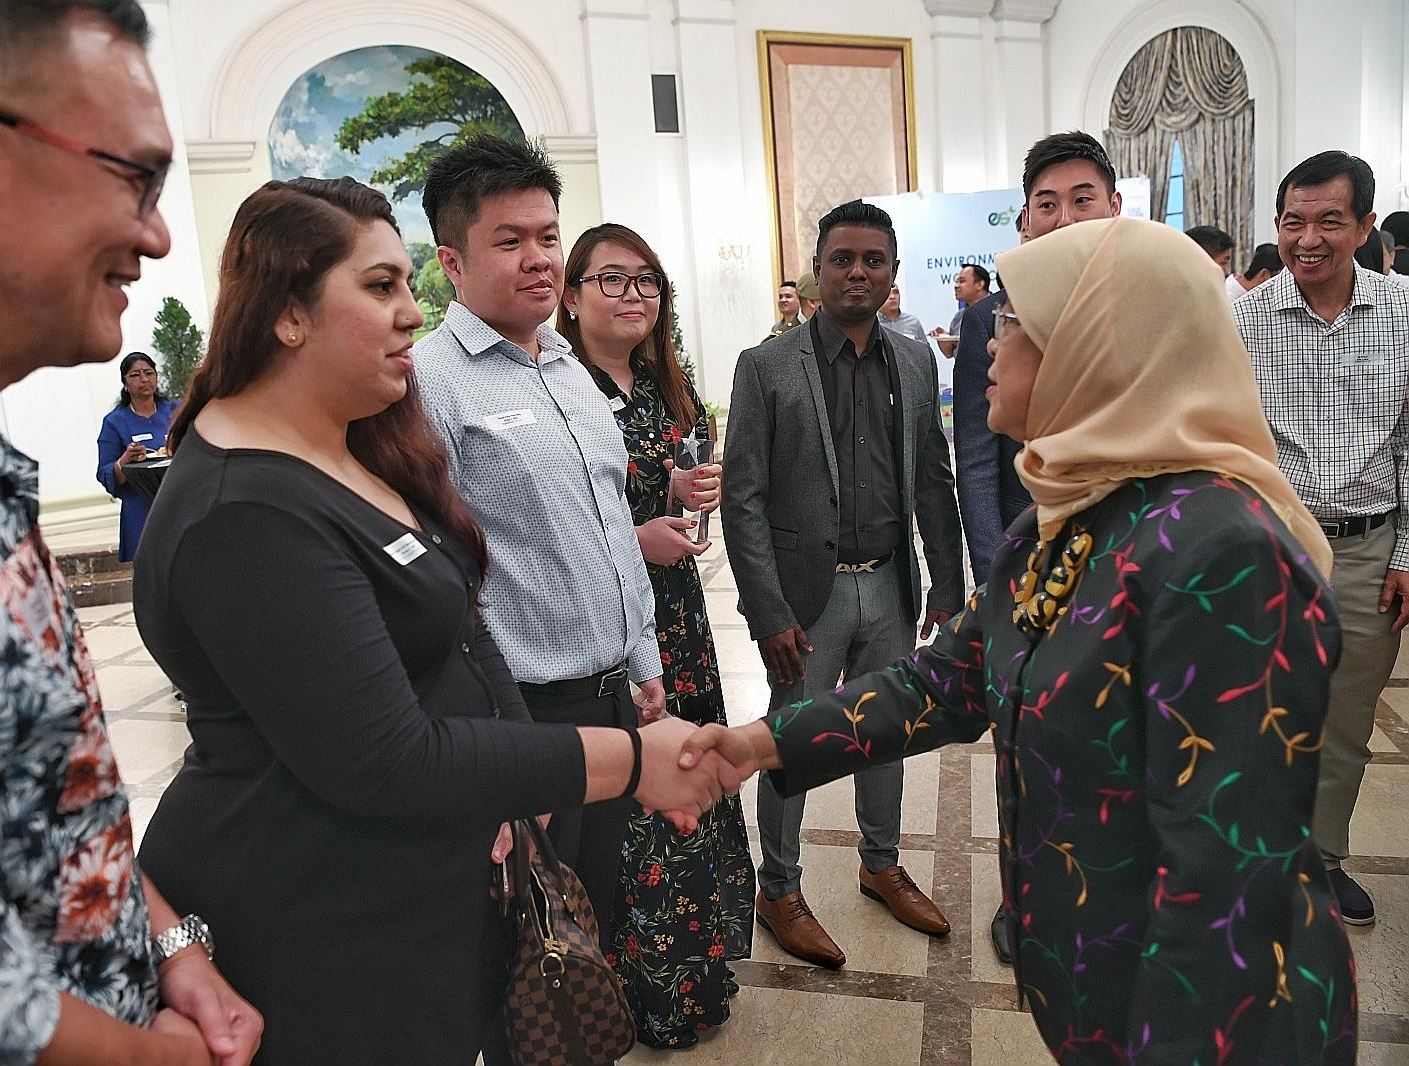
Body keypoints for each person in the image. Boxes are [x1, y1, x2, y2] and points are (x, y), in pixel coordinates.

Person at [689, 217, 1357, 1065]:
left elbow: (1224, 887)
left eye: (1014, 324)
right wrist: (757, 742)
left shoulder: (1223, 550)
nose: (990, 349)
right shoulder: (1071, 515)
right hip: (1098, 993)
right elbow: (944, 683)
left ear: (1095, 347)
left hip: (1196, 1020)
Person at [133, 177, 738, 1066]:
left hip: (420, 867)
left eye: (406, 286)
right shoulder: (243, 511)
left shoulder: (353, 438)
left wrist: (502, 780)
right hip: (318, 905)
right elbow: (388, 757)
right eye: (380, 287)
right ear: (287, 312)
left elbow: (461, 615)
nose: (412, 313)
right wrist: (632, 762)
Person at [0, 2, 264, 1062]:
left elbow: (44, 811)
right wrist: (157, 1055)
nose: (158, 233)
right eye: (133, 178)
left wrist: (170, 942)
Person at [412, 134, 670, 950]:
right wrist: (495, 737)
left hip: (613, 700)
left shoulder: (567, 368)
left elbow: (609, 527)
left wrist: (645, 662)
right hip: (525, 712)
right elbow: (439, 584)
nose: (538, 259)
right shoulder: (431, 382)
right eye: (509, 240)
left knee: (592, 912)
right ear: (452, 263)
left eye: (548, 236)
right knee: (530, 939)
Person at [722, 199, 964, 968]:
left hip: (890, 584)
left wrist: (948, 583)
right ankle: (780, 888)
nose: (858, 272)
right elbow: (743, 495)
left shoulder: (916, 357)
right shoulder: (767, 366)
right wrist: (767, 611)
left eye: (873, 260)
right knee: (791, 738)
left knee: (884, 733)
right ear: (816, 269)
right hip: (805, 598)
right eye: (842, 260)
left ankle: (880, 864)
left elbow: (932, 476)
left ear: (892, 271)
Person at [558, 222, 755, 1049]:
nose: (633, 294)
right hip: (610, 626)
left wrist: (683, 489)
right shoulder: (560, 388)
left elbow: (664, 487)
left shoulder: (657, 386)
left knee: (694, 769)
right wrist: (637, 535)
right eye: (611, 279)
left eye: (646, 280)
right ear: (569, 298)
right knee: (637, 804)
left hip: (676, 617)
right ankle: (633, 994)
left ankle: (698, 975)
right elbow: (550, 524)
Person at [954, 130, 1122, 964]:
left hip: (1120, 567)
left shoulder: (1137, 301)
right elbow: (978, 460)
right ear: (1022, 222)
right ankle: (1027, 902)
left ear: (1115, 207)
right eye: (1044, 205)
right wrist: (999, 572)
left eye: (1080, 199)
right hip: (1030, 561)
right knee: (1021, 743)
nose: (1062, 218)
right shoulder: (986, 316)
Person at [1235, 150, 1409, 927]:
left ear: (1365, 226)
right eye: (1293, 222)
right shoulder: (1240, 319)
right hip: (1268, 550)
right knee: (1259, 714)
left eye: (1329, 221)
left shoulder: (1404, 311)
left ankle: (1322, 861)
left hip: (1371, 550)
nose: (1309, 239)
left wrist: (1406, 553)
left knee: (1344, 721)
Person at [96, 351, 177, 560]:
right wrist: (126, 459)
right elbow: (105, 473)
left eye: (149, 373)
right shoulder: (114, 422)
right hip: (140, 508)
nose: (144, 379)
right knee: (151, 574)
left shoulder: (176, 410)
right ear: (125, 383)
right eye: (135, 375)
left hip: (179, 500)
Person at [929, 263, 990, 357]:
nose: (956, 286)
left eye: (962, 281)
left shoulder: (997, 311)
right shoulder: (958, 317)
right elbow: (949, 353)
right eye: (956, 281)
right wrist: (944, 339)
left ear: (979, 284)